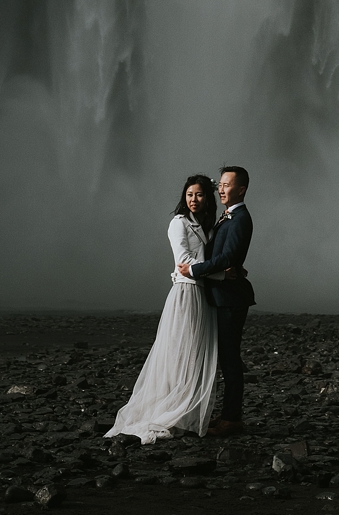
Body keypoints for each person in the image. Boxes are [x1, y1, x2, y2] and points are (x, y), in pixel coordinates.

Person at [104, 175, 226, 444]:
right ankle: (171, 409)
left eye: (200, 195)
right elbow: (183, 261)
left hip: (202, 295)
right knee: (179, 351)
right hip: (186, 293)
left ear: (208, 198)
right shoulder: (178, 223)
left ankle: (186, 411)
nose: (194, 199)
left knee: (194, 353)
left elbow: (198, 263)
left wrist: (211, 269)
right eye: (190, 194)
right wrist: (223, 273)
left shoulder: (207, 226)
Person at [178, 166, 255, 437]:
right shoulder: (227, 217)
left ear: (241, 189)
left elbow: (228, 257)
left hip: (231, 298)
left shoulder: (240, 218)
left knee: (230, 359)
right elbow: (225, 256)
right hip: (223, 295)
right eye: (220, 184)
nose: (220, 189)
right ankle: (227, 414)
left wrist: (195, 270)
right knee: (225, 357)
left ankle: (232, 419)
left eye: (226, 185)